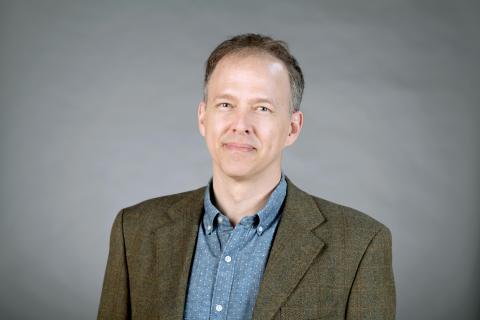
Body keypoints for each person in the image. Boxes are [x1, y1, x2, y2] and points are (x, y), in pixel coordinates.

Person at [97, 33, 395, 320]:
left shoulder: (359, 246)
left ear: (292, 127)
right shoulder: (134, 231)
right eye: (226, 104)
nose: (240, 125)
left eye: (262, 108)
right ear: (203, 117)